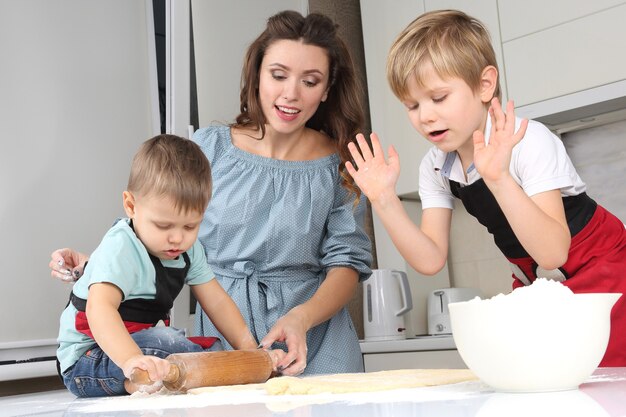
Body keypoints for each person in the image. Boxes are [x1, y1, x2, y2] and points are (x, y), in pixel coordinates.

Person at [50, 10, 372, 376]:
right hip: (223, 336)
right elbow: (160, 234)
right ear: (258, 75)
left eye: (310, 81)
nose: (290, 94)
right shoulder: (209, 148)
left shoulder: (340, 166)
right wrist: (95, 262)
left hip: (316, 338)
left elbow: (347, 264)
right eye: (278, 75)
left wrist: (301, 317)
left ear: (327, 89)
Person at [346, 9, 626, 367]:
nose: (424, 116)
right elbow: (430, 259)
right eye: (412, 105)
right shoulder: (436, 165)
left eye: (438, 97)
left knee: (605, 382)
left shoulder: (527, 141)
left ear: (484, 85)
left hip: (603, 268)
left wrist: (499, 178)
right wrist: (383, 200)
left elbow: (554, 251)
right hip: (537, 279)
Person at [56, 134, 283, 397]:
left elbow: (218, 302)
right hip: (89, 359)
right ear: (131, 206)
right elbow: (100, 310)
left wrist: (250, 352)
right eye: (163, 226)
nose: (177, 238)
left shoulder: (189, 251)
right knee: (165, 343)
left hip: (145, 347)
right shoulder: (120, 247)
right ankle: (136, 381)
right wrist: (131, 360)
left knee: (215, 351)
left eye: (190, 226)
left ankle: (152, 381)